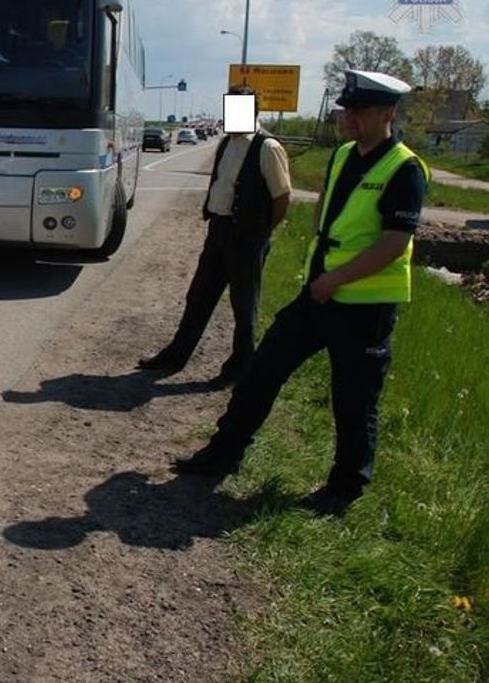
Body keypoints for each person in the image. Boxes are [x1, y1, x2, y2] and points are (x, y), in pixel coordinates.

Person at [172, 69, 430, 516]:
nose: (349, 118)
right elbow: (329, 217)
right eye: (346, 110)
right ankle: (223, 454)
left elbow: (394, 244)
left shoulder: (404, 168)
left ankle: (344, 490)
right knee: (261, 371)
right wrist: (320, 275)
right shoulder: (345, 155)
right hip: (319, 295)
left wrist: (336, 279)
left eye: (360, 111)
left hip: (364, 307)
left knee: (354, 400)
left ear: (387, 114)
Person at [137, 85, 292, 385]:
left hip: (247, 238)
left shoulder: (267, 147)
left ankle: (240, 368)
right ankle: (175, 356)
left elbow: (282, 197)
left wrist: (261, 232)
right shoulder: (226, 143)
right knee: (199, 296)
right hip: (218, 230)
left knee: (244, 306)